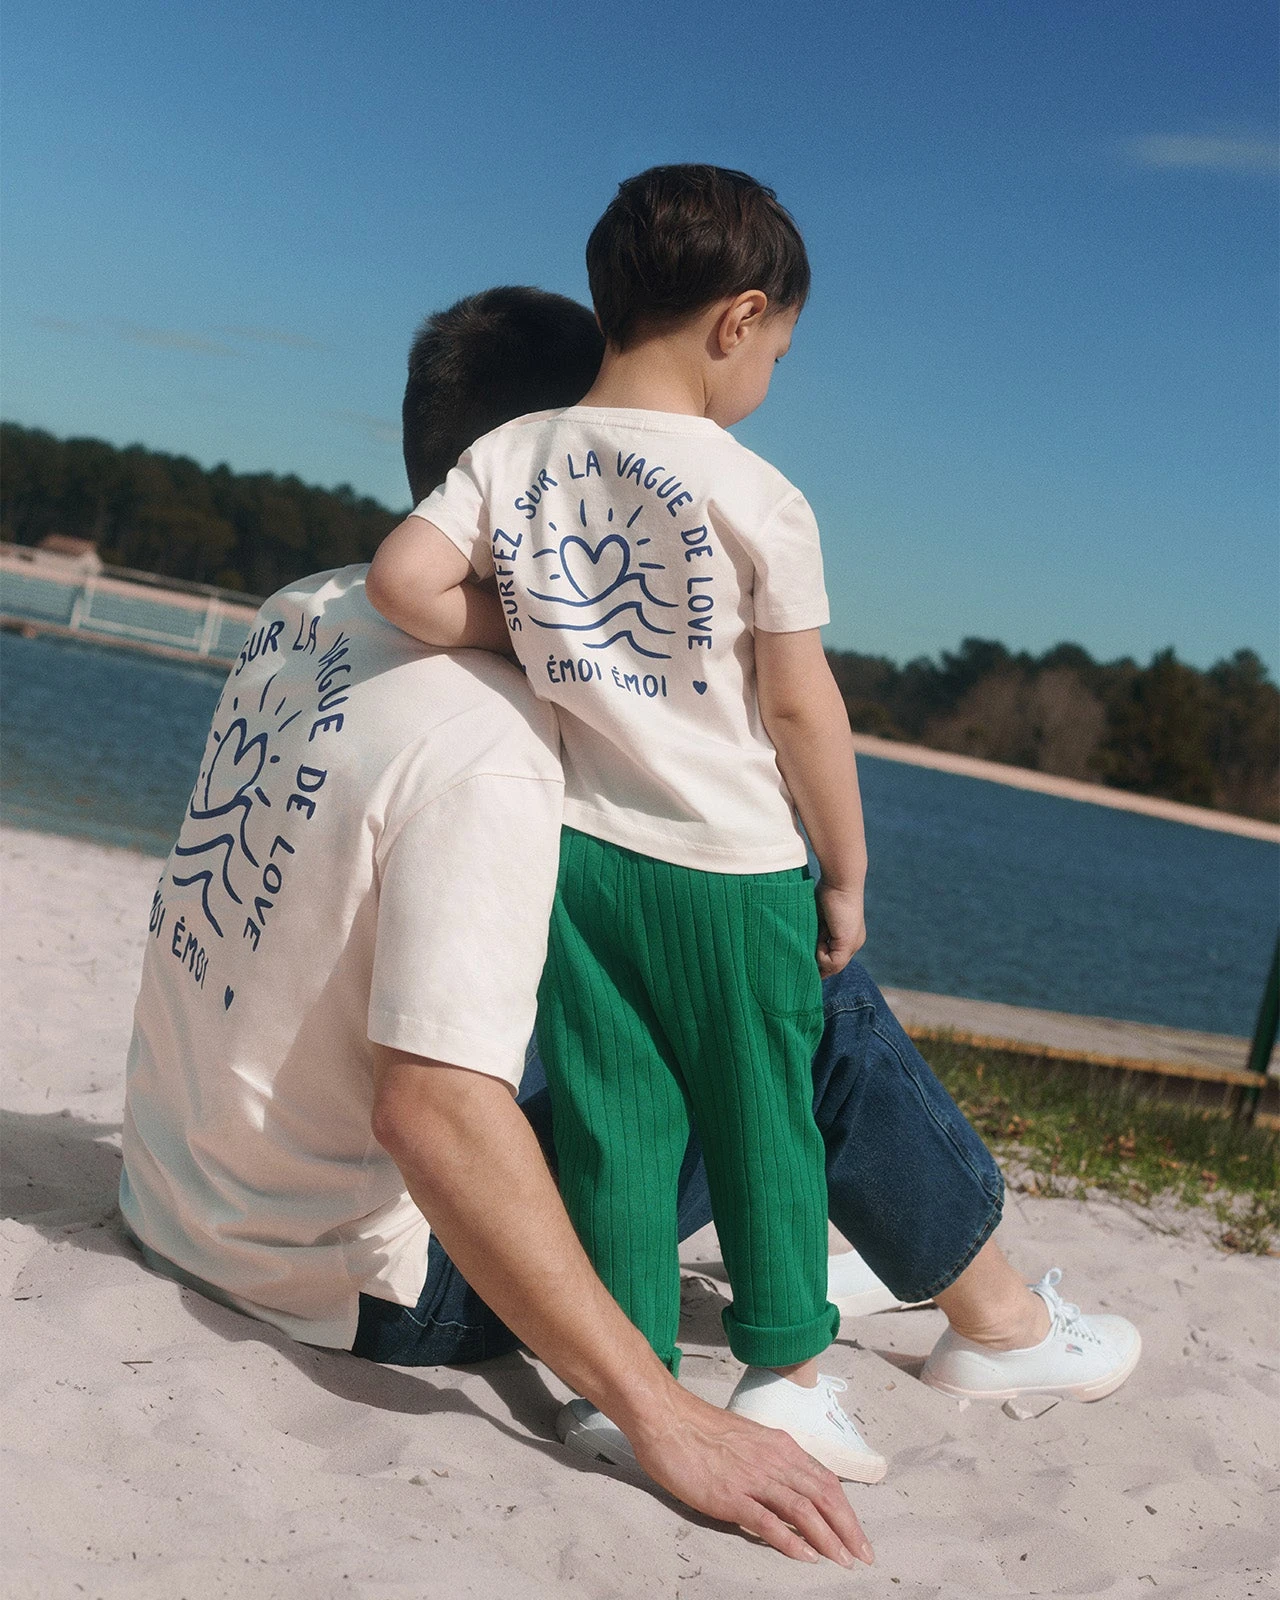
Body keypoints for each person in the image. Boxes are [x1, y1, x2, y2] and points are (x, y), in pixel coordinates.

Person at [120, 283, 1140, 1572]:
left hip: (177, 1195)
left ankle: (851, 1235)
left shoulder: (305, 610)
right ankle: (999, 1325)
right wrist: (665, 1420)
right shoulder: (490, 747)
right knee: (791, 973)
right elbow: (431, 1113)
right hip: (370, 1289)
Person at [368, 164, 880, 1479]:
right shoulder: (760, 495)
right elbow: (801, 708)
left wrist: (548, 636)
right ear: (739, 317)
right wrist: (845, 870)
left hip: (584, 860)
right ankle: (787, 1376)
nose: (771, 374)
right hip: (733, 867)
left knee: (618, 1119)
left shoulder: (510, 454)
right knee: (765, 1117)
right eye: (779, 350)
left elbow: (402, 581)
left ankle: (622, 1384)